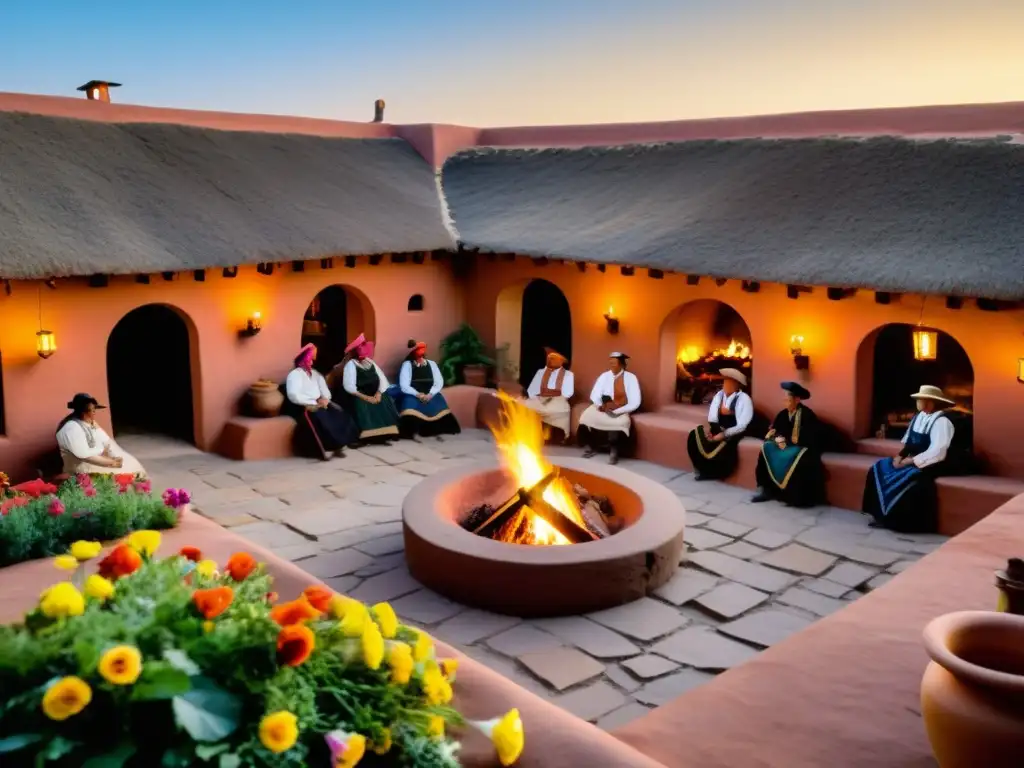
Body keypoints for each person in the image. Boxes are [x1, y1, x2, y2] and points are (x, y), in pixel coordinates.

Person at [862, 385, 959, 533]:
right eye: (921, 400)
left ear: (936, 402)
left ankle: (898, 522)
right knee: (879, 468)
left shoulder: (942, 422)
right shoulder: (918, 417)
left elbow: (938, 451)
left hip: (934, 463)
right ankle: (880, 514)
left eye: (927, 401)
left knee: (909, 478)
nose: (923, 404)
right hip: (915, 458)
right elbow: (911, 443)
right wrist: (899, 457)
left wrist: (909, 461)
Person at [751, 381, 822, 507]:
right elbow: (775, 431)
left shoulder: (807, 415)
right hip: (783, 446)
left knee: (801, 460)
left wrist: (787, 443)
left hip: (801, 449)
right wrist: (777, 438)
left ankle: (793, 497)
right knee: (766, 448)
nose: (785, 402)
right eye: (784, 399)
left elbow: (810, 438)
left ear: (797, 399)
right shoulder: (783, 414)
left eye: (788, 399)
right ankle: (766, 489)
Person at [283, 344, 358, 460]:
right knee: (318, 418)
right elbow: (294, 395)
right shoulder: (294, 375)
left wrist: (325, 399)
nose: (311, 363)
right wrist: (311, 402)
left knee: (339, 414)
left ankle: (337, 445)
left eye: (312, 361)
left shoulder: (316, 374)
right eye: (309, 360)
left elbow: (325, 391)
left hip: (319, 404)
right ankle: (323, 449)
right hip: (302, 407)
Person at [56, 393, 147, 477]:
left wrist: (113, 454)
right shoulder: (71, 428)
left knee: (132, 463)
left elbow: (105, 440)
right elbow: (85, 456)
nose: (94, 412)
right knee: (127, 474)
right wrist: (111, 462)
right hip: (81, 466)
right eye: (92, 410)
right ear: (84, 412)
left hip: (100, 457)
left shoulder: (90, 422)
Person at [686, 368, 753, 481]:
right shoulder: (719, 395)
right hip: (718, 427)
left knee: (725, 445)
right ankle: (702, 469)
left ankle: (716, 473)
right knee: (695, 434)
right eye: (725, 381)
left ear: (737, 384)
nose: (725, 384)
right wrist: (713, 428)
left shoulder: (744, 399)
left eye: (729, 381)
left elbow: (742, 425)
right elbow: (712, 416)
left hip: (733, 431)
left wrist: (724, 434)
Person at [387, 340, 461, 440]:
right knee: (409, 404)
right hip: (413, 394)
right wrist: (418, 394)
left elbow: (439, 382)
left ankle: (433, 429)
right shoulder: (407, 365)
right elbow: (404, 385)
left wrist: (431, 394)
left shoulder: (432, 364)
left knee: (439, 403)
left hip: (430, 394)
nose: (420, 358)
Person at [577, 352, 642, 465]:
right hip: (603, 406)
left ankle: (614, 449)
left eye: (614, 363)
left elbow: (635, 401)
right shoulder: (604, 376)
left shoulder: (631, 378)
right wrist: (600, 405)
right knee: (587, 416)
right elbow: (595, 394)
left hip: (621, 408)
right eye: (610, 363)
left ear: (621, 364)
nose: (612, 366)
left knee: (619, 421)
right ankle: (593, 445)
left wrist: (618, 411)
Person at [340, 333, 400, 443]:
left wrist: (378, 393)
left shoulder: (370, 362)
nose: (364, 348)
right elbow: (349, 386)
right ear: (356, 351)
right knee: (361, 405)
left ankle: (386, 434)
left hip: (375, 393)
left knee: (384, 399)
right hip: (360, 394)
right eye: (361, 347)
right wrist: (367, 398)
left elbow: (382, 379)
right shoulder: (351, 365)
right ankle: (370, 436)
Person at [521, 347, 575, 442]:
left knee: (561, 410)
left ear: (561, 360)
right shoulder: (541, 372)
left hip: (558, 401)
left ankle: (562, 437)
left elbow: (567, 393)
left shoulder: (568, 374)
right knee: (522, 404)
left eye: (553, 358)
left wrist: (551, 394)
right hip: (540, 399)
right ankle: (525, 434)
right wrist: (540, 397)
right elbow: (532, 391)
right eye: (549, 358)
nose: (550, 360)